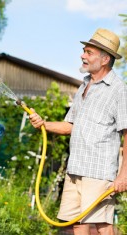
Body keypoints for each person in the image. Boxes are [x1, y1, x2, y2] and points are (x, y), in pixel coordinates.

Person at [29, 28, 127, 235]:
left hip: (99, 172)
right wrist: (43, 124)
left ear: (104, 59)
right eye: (84, 51)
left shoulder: (119, 90)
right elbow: (70, 126)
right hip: (75, 169)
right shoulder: (84, 86)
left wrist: (123, 175)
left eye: (89, 52)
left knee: (102, 226)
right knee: (77, 225)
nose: (82, 55)